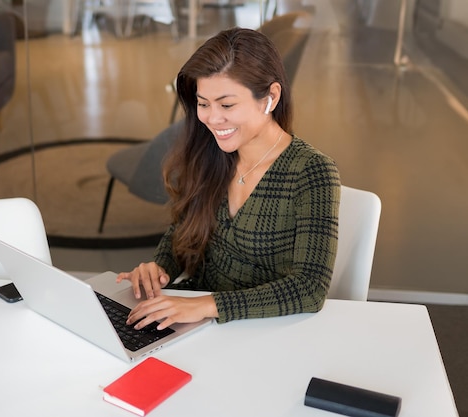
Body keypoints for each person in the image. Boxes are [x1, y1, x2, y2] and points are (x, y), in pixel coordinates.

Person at [117, 27, 341, 331]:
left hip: (265, 330)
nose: (211, 118)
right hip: (196, 321)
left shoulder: (311, 172)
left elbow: (309, 289)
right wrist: (160, 267)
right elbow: (184, 231)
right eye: (203, 103)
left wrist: (206, 305)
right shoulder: (211, 153)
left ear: (270, 97)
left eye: (227, 105)